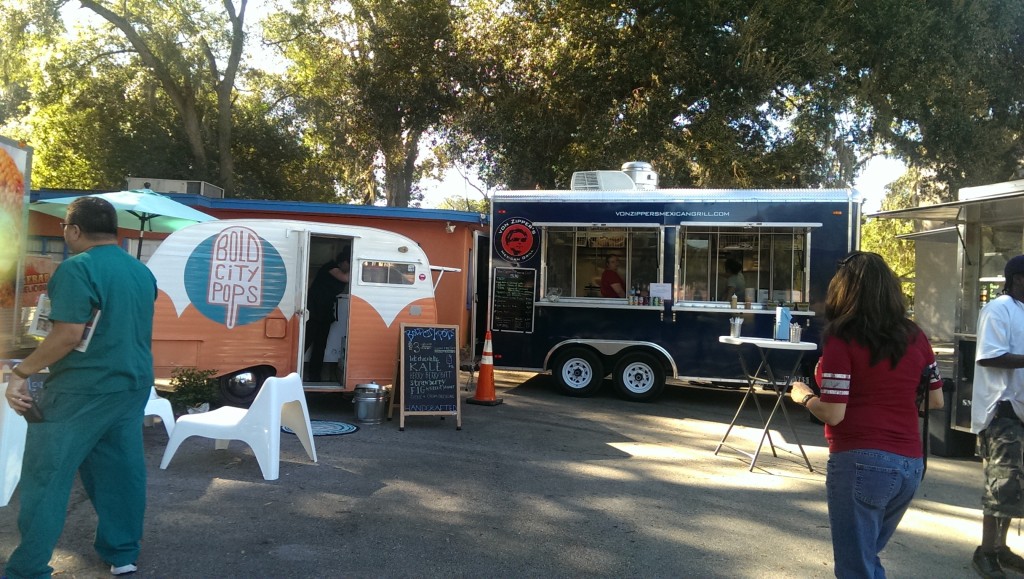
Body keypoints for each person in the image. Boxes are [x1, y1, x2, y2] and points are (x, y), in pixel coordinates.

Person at [3, 196, 157, 578]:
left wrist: (20, 373)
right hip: (132, 384)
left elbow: (68, 335)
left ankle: (28, 567)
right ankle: (122, 554)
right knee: (120, 471)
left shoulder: (76, 269)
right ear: (114, 231)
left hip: (81, 388)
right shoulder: (141, 272)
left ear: (73, 230)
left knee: (46, 476)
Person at [788, 251, 943, 578]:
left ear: (843, 290)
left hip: (860, 463)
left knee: (856, 568)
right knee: (867, 560)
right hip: (909, 466)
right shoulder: (915, 336)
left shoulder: (842, 338)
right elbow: (936, 401)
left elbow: (833, 413)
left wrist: (805, 397)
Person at [969, 254, 1024, 578]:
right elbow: (989, 357)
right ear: (1018, 278)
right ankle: (985, 551)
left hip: (1019, 411)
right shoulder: (998, 309)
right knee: (1000, 485)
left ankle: (1001, 548)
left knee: (1016, 487)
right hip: (1001, 412)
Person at [306, 247, 351, 381]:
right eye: (348, 265)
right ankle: (292, 373)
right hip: (313, 311)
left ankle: (315, 377)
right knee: (306, 342)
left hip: (324, 311)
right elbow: (345, 278)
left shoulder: (334, 268)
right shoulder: (330, 267)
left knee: (320, 346)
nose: (348, 268)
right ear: (343, 262)